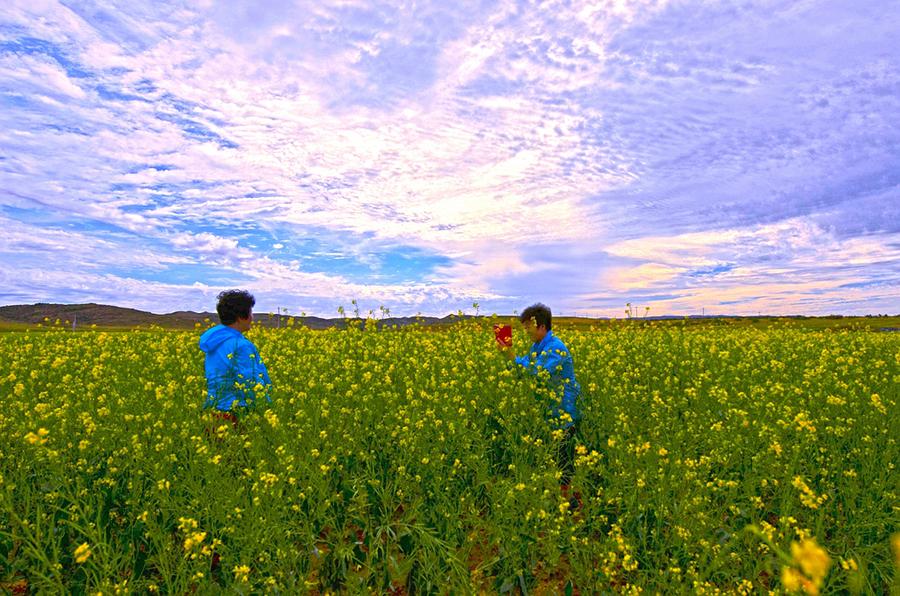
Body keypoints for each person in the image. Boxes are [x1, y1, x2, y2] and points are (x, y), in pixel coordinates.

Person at [499, 303, 582, 493]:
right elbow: (522, 372)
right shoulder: (536, 347)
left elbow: (537, 373)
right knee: (556, 457)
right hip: (550, 411)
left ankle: (571, 505)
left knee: (565, 460)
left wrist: (512, 357)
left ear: (542, 326)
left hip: (564, 411)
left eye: (529, 326)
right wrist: (507, 357)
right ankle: (563, 498)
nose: (526, 331)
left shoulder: (555, 348)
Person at [199, 290, 271, 418]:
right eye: (250, 312)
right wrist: (268, 405)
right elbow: (250, 380)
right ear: (241, 316)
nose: (252, 317)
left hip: (213, 410)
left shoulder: (214, 342)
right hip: (237, 412)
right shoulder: (241, 346)